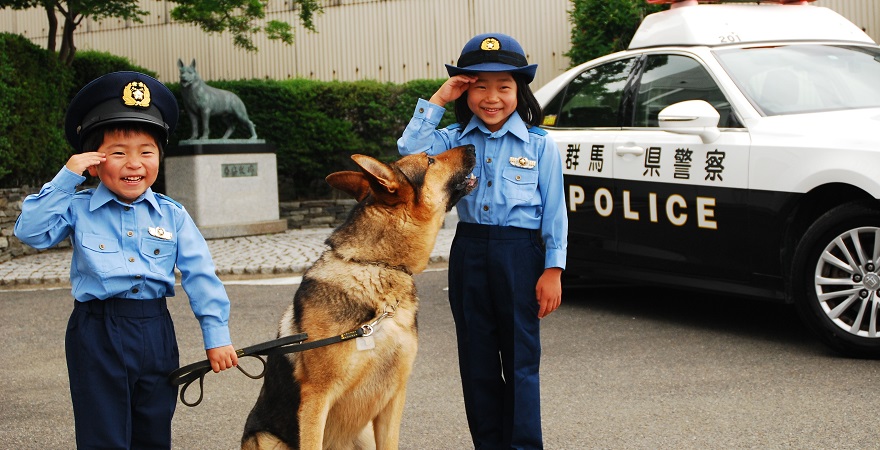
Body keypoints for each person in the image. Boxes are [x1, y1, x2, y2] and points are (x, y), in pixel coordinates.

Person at [14, 71, 239, 449]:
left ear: (159, 158)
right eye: (118, 153)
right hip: (95, 332)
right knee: (103, 435)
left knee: (153, 432)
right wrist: (67, 178)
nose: (134, 163)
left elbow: (201, 275)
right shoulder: (78, 207)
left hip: (155, 330)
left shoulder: (173, 214)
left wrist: (216, 335)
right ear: (95, 162)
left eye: (146, 152)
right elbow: (30, 231)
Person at [397, 33, 568, 449]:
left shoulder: (540, 145)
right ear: (466, 91)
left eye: (504, 87)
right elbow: (408, 151)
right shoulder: (454, 139)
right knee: (477, 361)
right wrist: (441, 94)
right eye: (480, 86)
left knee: (521, 360)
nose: (492, 97)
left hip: (521, 254)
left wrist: (553, 269)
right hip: (469, 252)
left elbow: (555, 211)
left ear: (519, 91)